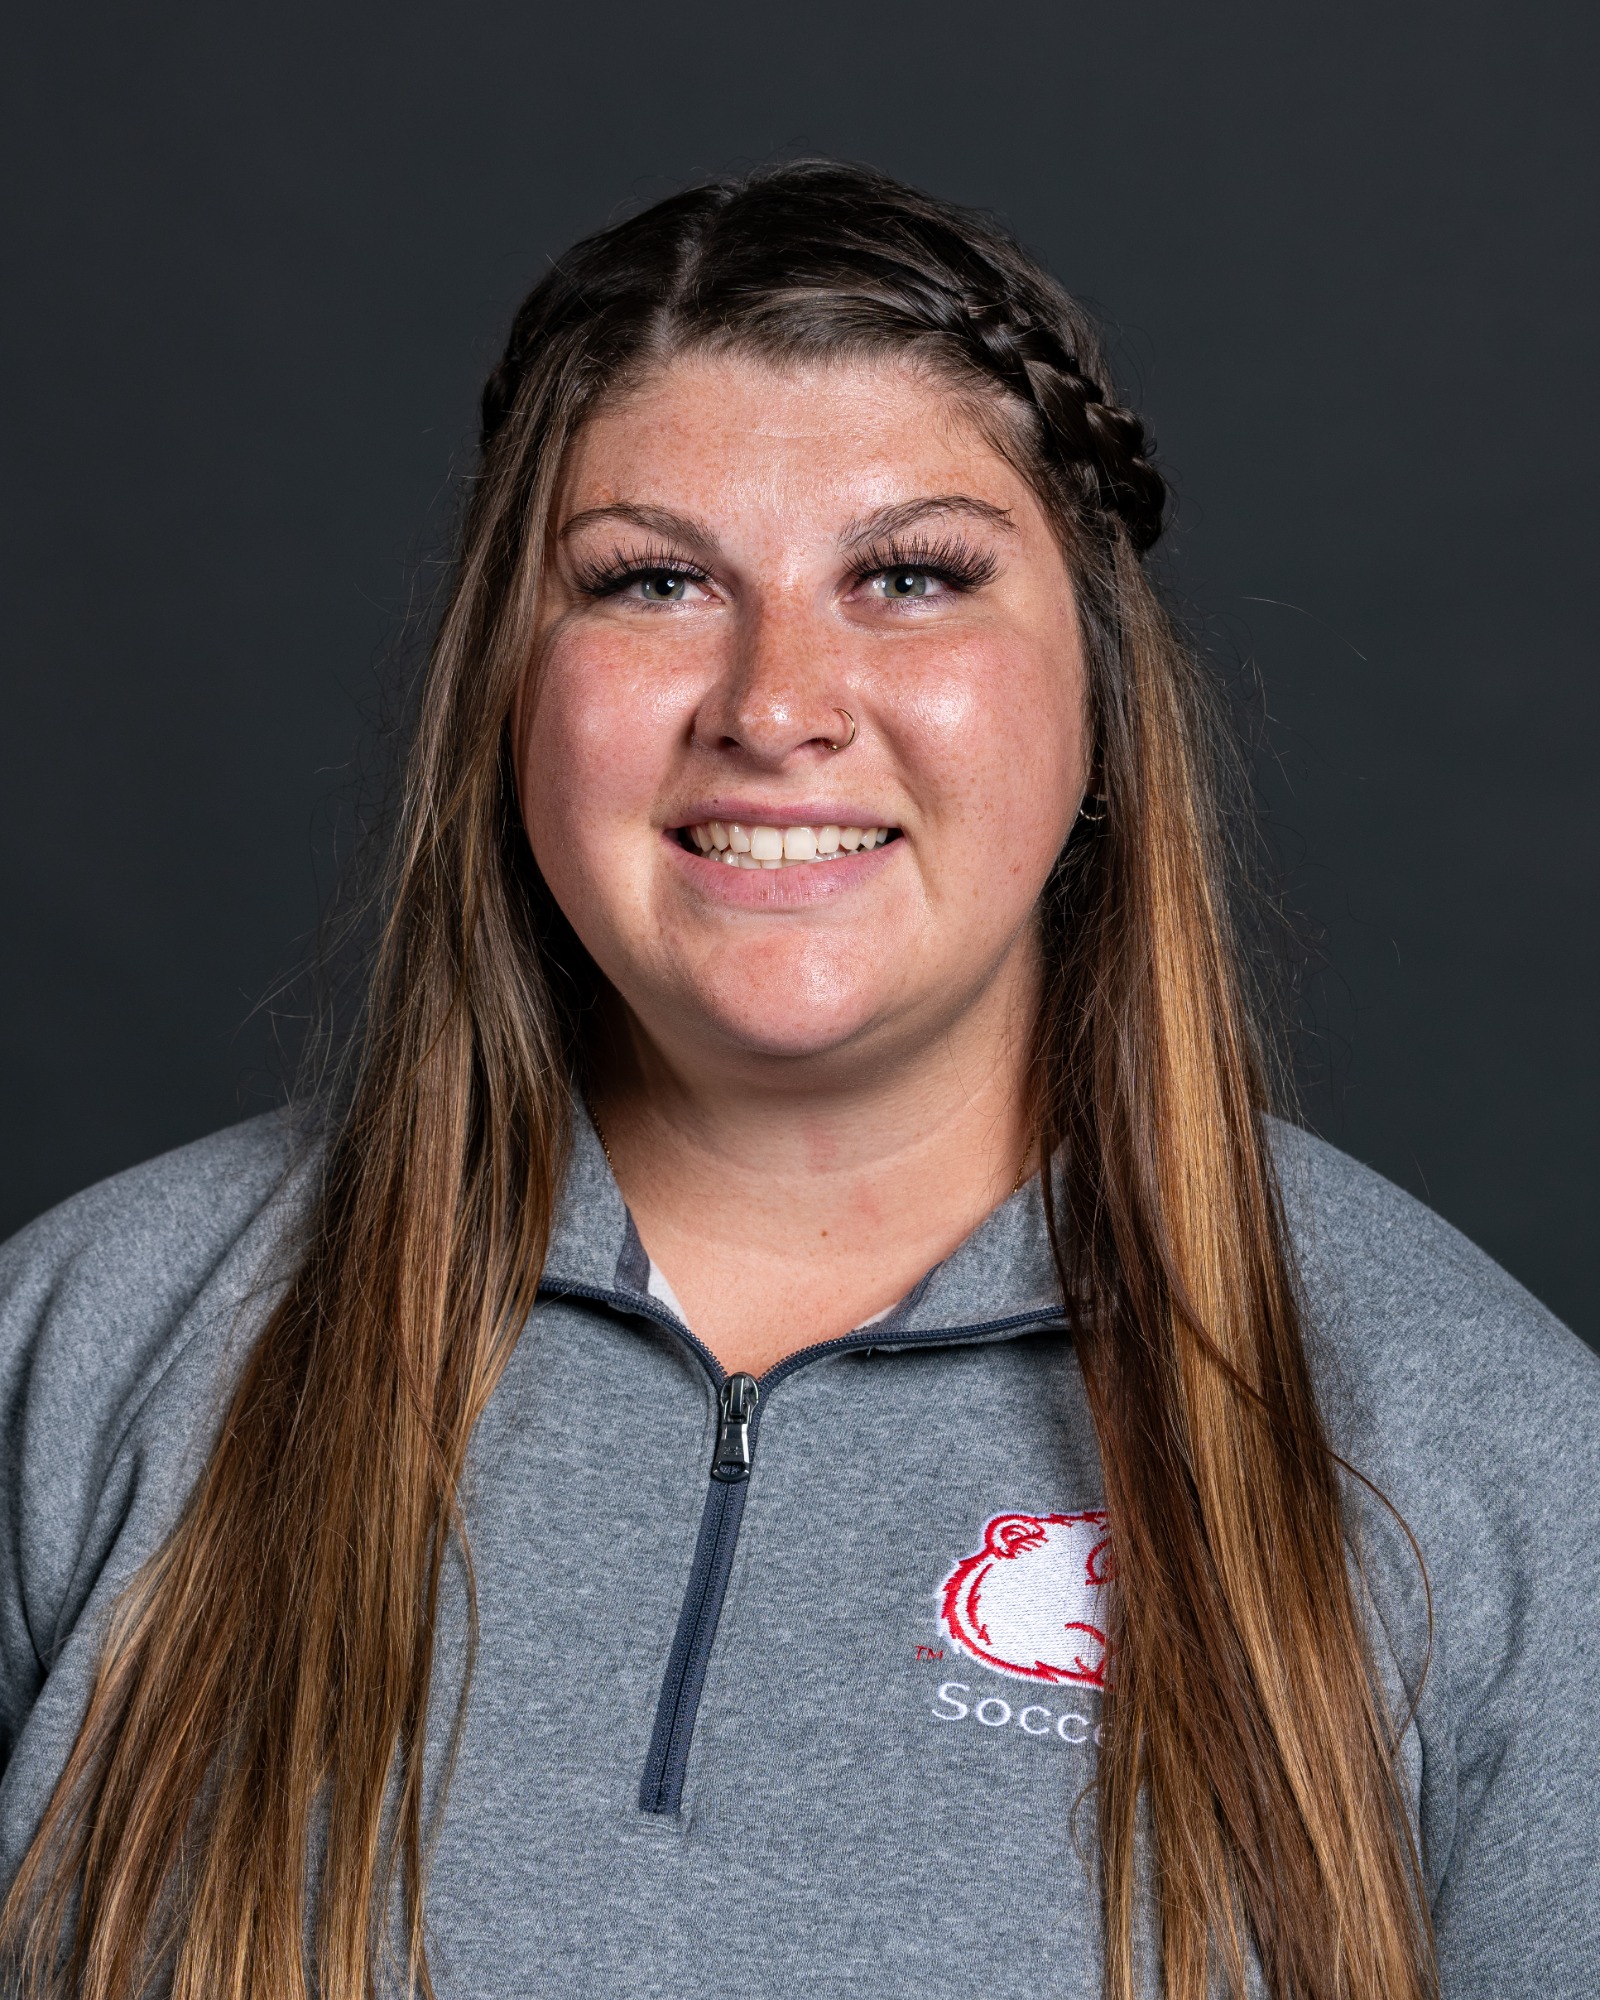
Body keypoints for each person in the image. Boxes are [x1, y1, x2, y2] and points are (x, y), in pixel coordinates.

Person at [0, 162, 1595, 2000]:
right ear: (509, 687)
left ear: (1096, 689)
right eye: (655, 580)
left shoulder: (1481, 1460)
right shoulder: (89, 1350)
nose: (775, 705)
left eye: (910, 577)